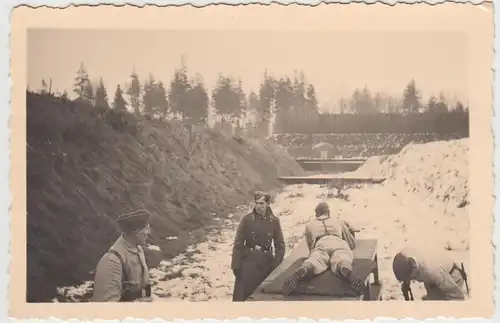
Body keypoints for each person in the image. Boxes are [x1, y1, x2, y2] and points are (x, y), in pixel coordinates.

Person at [281, 202, 365, 296]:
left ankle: (306, 268)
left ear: (316, 213)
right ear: (328, 212)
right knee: (342, 258)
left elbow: (311, 246)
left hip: (321, 243)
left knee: (315, 260)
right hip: (338, 242)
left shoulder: (309, 225)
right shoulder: (338, 221)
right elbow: (351, 244)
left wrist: (315, 254)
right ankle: (344, 267)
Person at [231, 191, 286, 301]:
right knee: (243, 296)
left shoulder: (274, 221)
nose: (258, 206)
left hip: (266, 262)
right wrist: (236, 265)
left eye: (262, 203)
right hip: (249, 261)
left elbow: (280, 245)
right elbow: (238, 244)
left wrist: (275, 264)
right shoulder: (247, 220)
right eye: (257, 203)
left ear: (267, 204)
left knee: (262, 297)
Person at [92, 209, 153, 302]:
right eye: (147, 229)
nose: (149, 233)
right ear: (137, 232)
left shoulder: (138, 249)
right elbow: (107, 307)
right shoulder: (111, 261)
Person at [392, 248, 469, 300]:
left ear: (411, 274)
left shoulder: (432, 272)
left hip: (453, 277)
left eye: (406, 278)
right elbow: (404, 267)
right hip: (437, 274)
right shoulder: (407, 256)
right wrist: (406, 284)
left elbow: (456, 295)